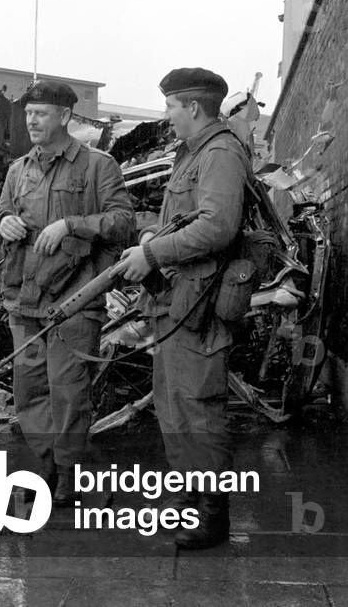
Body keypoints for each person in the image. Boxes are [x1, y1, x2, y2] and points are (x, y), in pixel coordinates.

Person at [116, 67, 250, 549]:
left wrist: (152, 253)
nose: (166, 116)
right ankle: (188, 499)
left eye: (171, 106)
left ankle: (211, 517)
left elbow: (218, 227)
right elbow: (185, 220)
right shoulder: (191, 155)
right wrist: (156, 233)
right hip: (176, 305)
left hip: (200, 304)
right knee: (173, 409)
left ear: (193, 107)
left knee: (198, 410)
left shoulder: (220, 153)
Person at [0, 80, 134, 505]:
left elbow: (123, 220)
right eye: (28, 113)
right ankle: (47, 467)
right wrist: (2, 222)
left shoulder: (97, 166)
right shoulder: (19, 169)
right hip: (25, 297)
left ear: (65, 117)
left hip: (74, 297)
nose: (32, 121)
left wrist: (72, 225)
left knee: (69, 390)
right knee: (30, 391)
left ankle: (73, 474)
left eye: (41, 113)